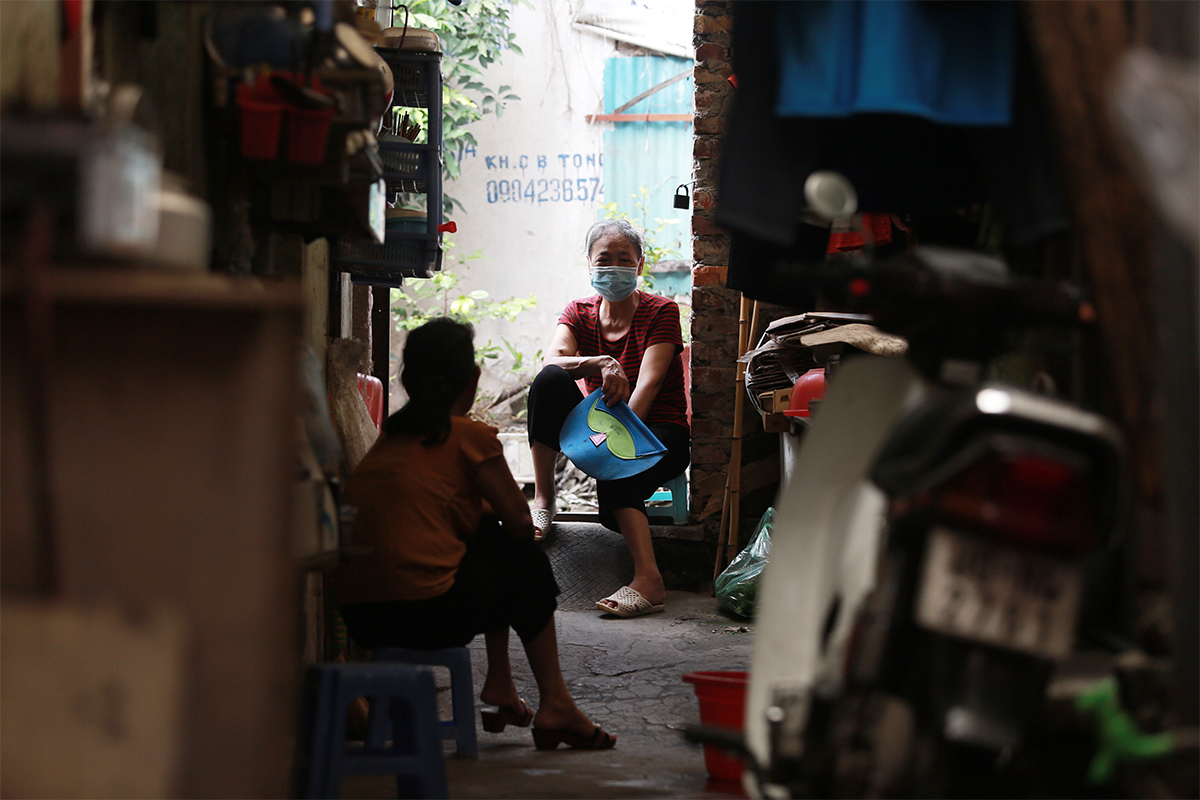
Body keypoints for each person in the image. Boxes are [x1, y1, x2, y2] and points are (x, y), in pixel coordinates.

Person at [332, 317, 615, 751]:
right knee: (522, 557)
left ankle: (501, 684)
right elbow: (522, 524)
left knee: (487, 539)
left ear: (406, 381)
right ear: (474, 380)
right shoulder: (466, 435)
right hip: (422, 614)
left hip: (361, 618)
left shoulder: (390, 438)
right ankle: (555, 702)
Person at [526, 219, 690, 619]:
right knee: (549, 380)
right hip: (600, 424)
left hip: (657, 430)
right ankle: (544, 499)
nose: (613, 267)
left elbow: (647, 387)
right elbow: (552, 360)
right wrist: (597, 362)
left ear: (639, 264)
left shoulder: (662, 311)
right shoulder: (579, 313)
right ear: (589, 264)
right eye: (605, 259)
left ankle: (649, 581)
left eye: (624, 259)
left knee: (617, 481)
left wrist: (611, 449)